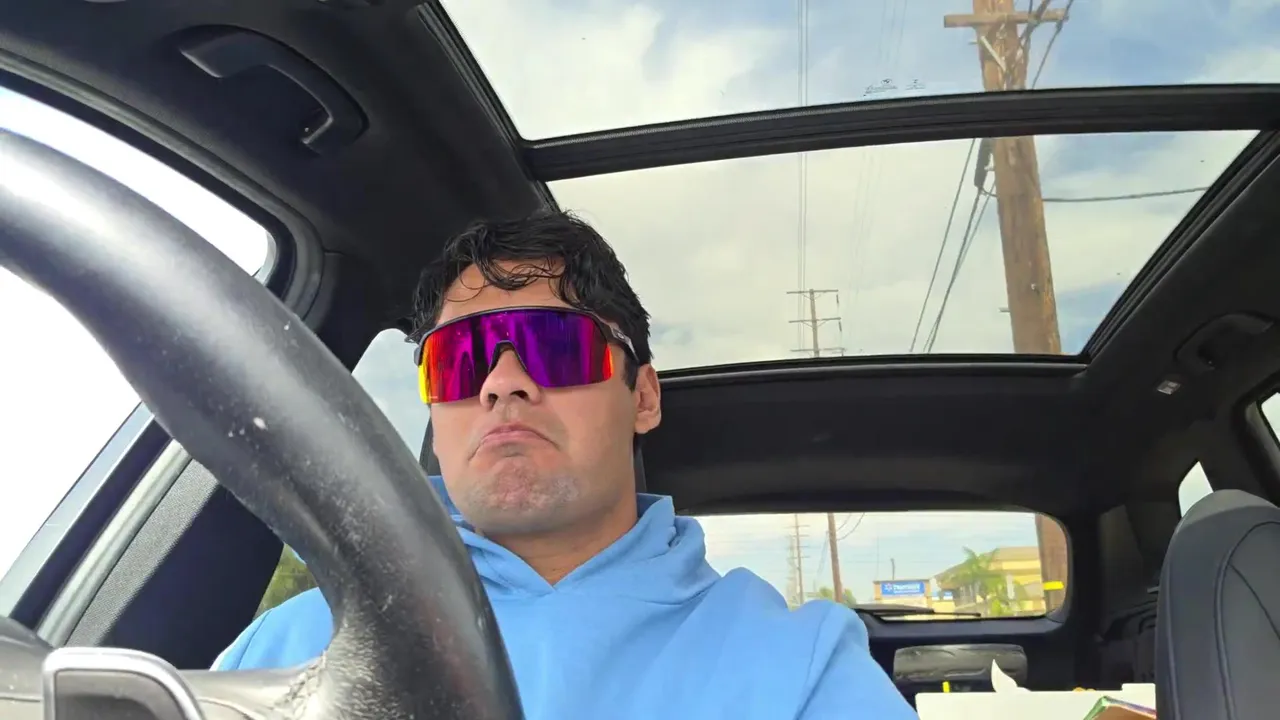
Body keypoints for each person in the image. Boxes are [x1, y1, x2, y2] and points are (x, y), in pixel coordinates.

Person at [213, 210, 917, 719]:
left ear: (643, 397)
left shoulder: (799, 668)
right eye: (459, 360)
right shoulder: (289, 651)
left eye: (554, 346)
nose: (502, 384)